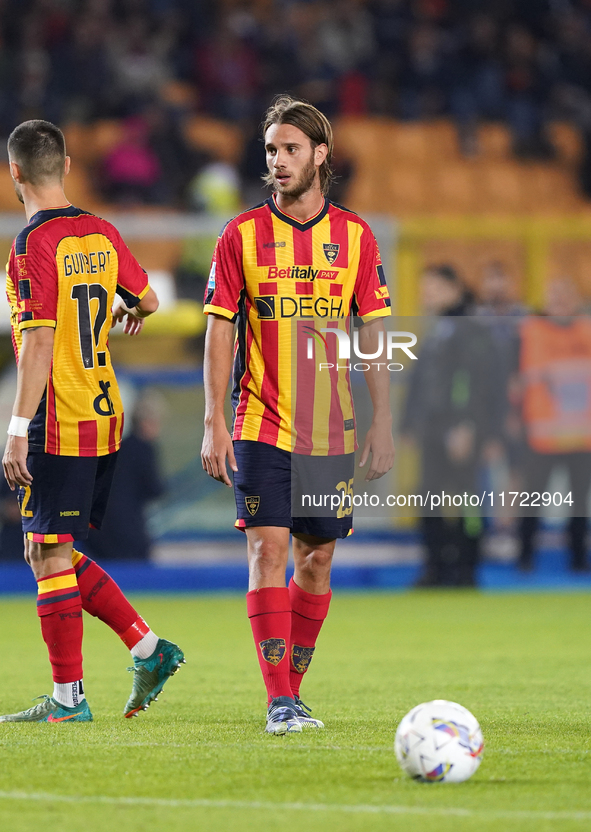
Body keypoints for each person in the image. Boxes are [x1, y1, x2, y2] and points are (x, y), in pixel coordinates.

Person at [201, 96, 394, 735]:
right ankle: (278, 702)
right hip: (259, 420)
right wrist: (213, 419)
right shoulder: (240, 235)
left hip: (332, 427)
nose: (277, 162)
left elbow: (371, 333)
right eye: (270, 151)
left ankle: (292, 692)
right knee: (268, 549)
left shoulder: (357, 237)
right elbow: (219, 332)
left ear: (320, 155)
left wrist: (383, 421)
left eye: (289, 150)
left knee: (315, 561)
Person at [0, 120, 184, 724]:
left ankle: (68, 699)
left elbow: (38, 342)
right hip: (106, 414)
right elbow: (151, 299)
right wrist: (127, 308)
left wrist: (16, 428)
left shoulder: (30, 246)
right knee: (46, 547)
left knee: (48, 551)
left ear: (16, 173)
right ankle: (148, 648)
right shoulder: (102, 232)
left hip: (60, 413)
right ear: (69, 167)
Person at [401, 264, 497, 587]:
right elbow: (422, 381)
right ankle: (436, 567)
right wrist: (409, 424)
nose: (427, 294)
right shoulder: (439, 329)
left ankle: (467, 569)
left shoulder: (468, 328)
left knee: (467, 499)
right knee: (430, 498)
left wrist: (465, 425)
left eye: (434, 287)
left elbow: (473, 382)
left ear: (455, 289)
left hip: (457, 432)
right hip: (433, 430)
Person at [517, 277, 591, 572]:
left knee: (579, 504)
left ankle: (577, 560)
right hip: (542, 435)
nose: (560, 303)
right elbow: (516, 380)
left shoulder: (587, 330)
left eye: (565, 296)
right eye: (554, 297)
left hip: (581, 437)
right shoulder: (530, 332)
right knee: (531, 501)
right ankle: (525, 559)